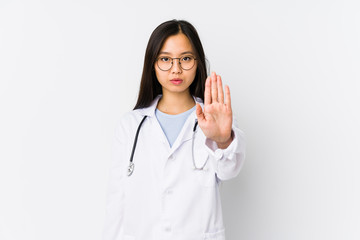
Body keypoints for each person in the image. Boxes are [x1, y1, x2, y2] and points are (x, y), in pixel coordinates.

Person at [102, 19, 246, 240]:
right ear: (153, 63)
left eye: (186, 59)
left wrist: (223, 140)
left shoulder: (213, 120)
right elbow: (117, 203)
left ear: (197, 62)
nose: (176, 69)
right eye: (165, 59)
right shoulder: (131, 126)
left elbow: (229, 170)